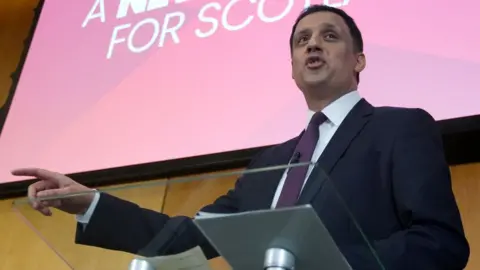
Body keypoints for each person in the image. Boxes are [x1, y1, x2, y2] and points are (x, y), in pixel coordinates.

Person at [13, 5, 469, 270]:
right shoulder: (267, 165)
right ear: (292, 67)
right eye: (301, 40)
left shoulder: (401, 128)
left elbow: (440, 244)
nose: (312, 45)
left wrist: (326, 264)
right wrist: (91, 203)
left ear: (359, 62)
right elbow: (186, 238)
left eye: (329, 37)